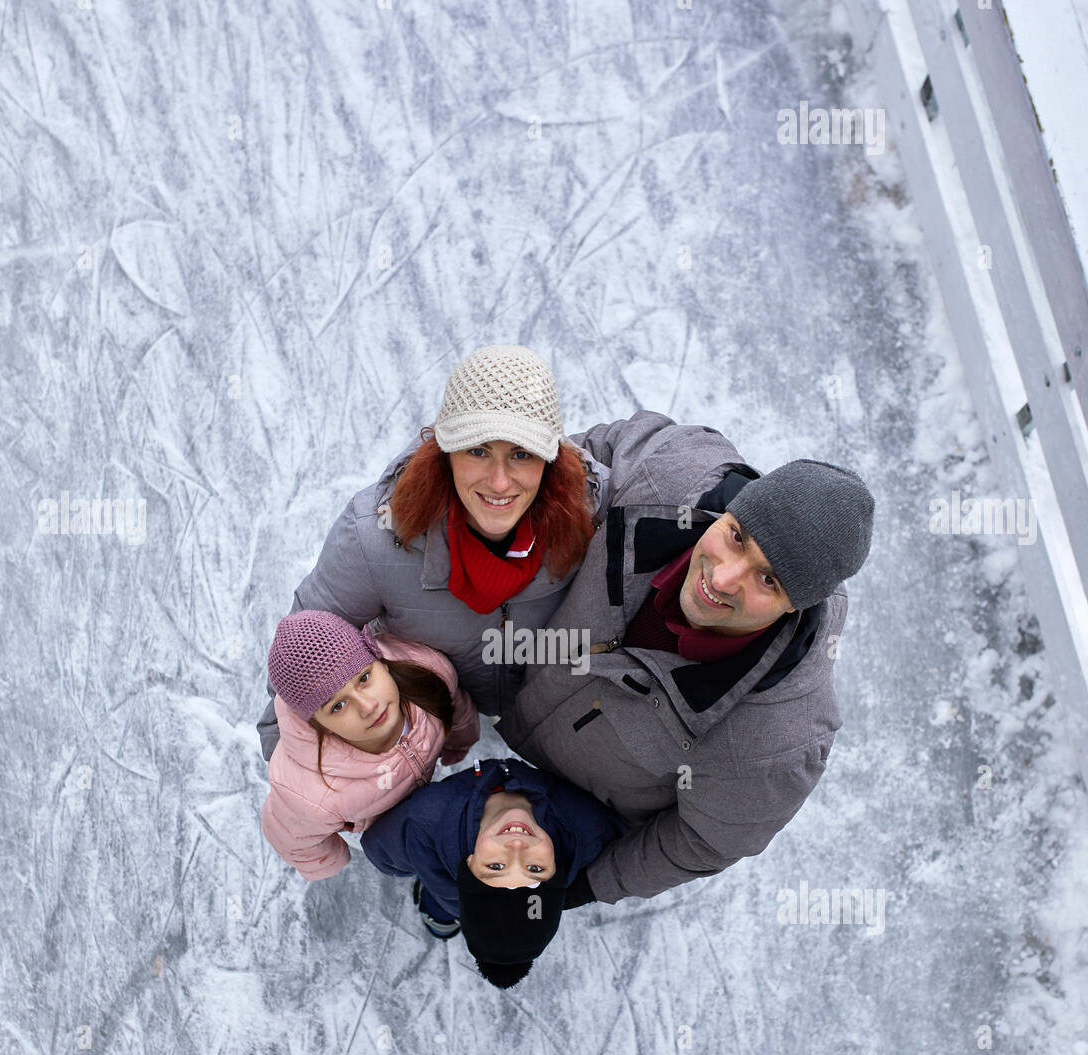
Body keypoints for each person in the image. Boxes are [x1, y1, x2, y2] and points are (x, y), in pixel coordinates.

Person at [499, 408, 875, 908]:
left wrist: (583, 886)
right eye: (738, 536)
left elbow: (703, 840)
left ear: (796, 606)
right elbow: (587, 457)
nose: (722, 578)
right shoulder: (671, 467)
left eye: (767, 579)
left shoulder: (778, 744)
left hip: (561, 804)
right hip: (500, 674)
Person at [256, 344, 610, 762]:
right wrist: (308, 783)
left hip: (555, 727)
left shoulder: (590, 517)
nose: (499, 482)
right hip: (431, 728)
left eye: (521, 454)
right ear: (446, 453)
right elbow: (305, 654)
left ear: (549, 461)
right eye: (477, 451)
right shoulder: (377, 536)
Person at [360, 757, 627, 989]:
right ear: (556, 866)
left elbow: (382, 849)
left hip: (445, 868)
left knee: (447, 897)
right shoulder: (586, 826)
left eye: (495, 867)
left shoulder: (429, 816)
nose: (516, 847)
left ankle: (439, 913)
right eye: (535, 868)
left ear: (471, 863)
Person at [261, 610, 479, 881]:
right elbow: (288, 832)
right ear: (318, 724)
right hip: (377, 820)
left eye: (364, 678)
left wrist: (461, 739)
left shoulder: (427, 669)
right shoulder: (311, 793)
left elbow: (455, 703)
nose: (368, 706)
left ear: (378, 659)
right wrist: (328, 861)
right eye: (338, 706)